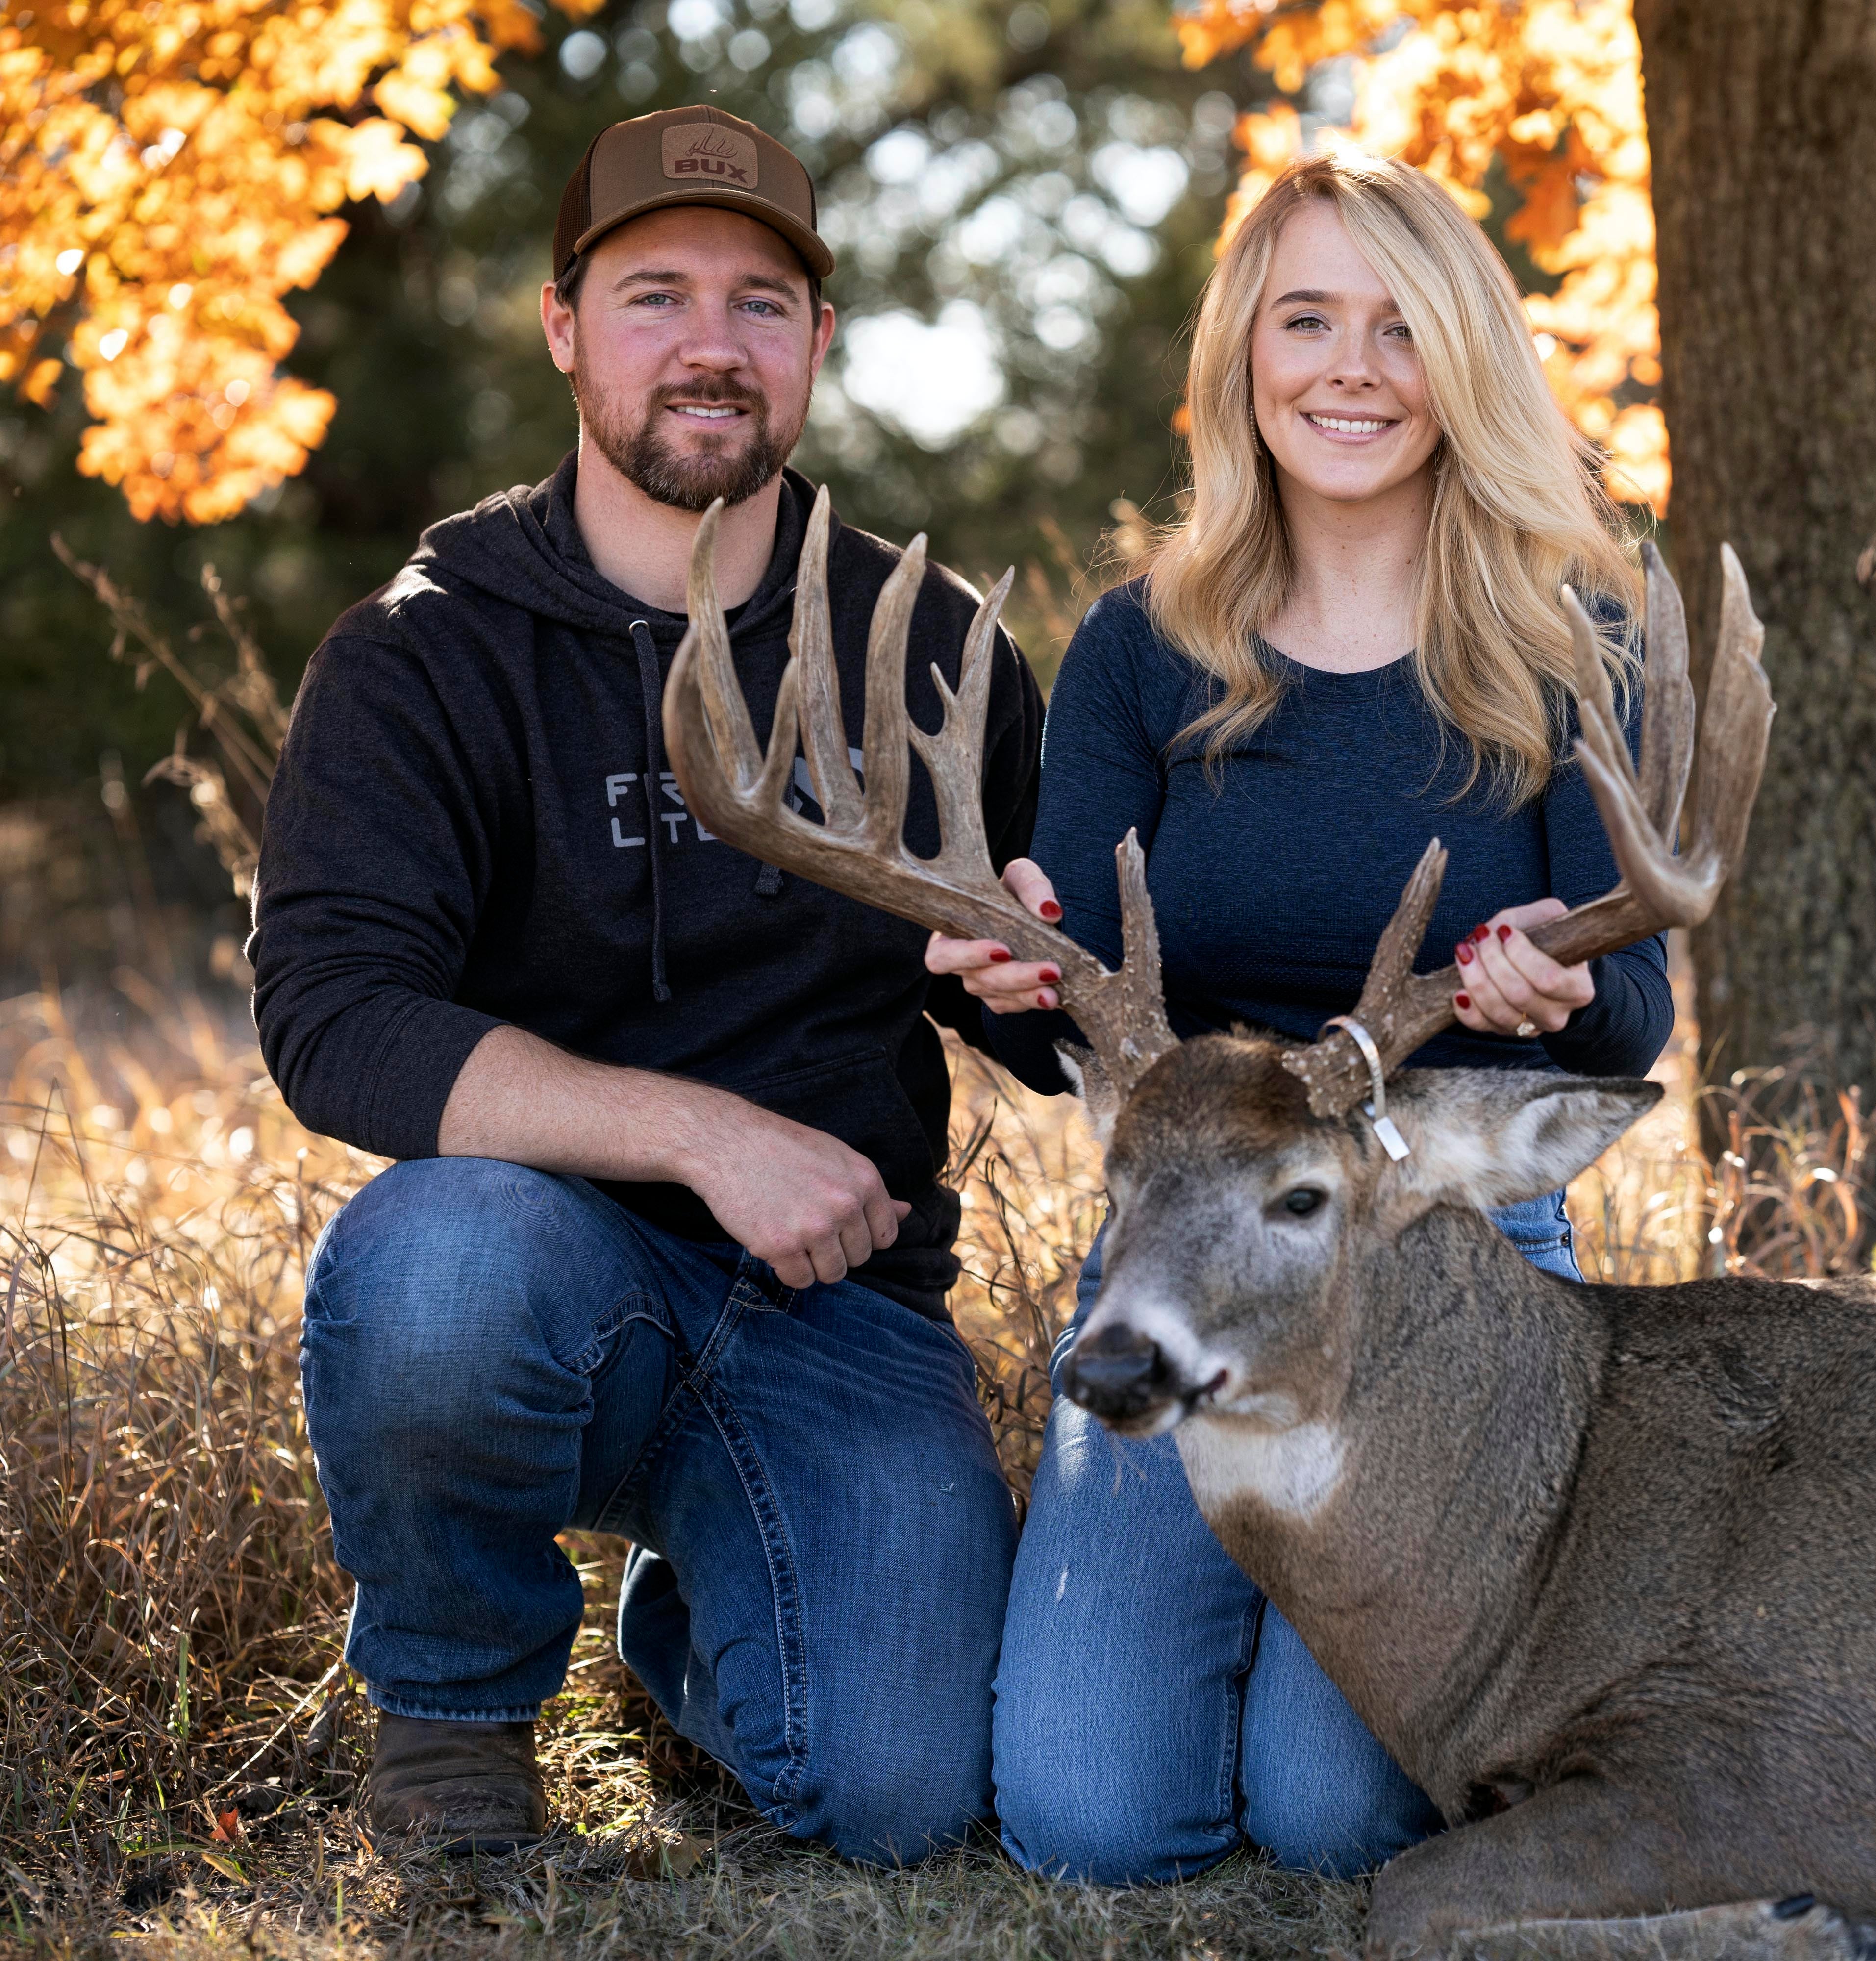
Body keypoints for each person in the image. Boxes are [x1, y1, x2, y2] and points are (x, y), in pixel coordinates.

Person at [254, 106, 1054, 1865]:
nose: (713, 345)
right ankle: (457, 1735)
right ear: (563, 326)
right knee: (435, 1261)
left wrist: (1031, 979)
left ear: (819, 341)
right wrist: (705, 1137)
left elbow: (1051, 1013)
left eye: (761, 303)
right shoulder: (423, 653)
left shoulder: (926, 642)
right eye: (654, 296)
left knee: (903, 1799)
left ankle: (689, 1627)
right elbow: (333, 1018)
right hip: (541, 1277)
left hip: (840, 1308)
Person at [935, 149, 1672, 1885]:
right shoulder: (1142, 646)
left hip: (1442, 1251)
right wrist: (1010, 981)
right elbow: (1067, 1022)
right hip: (1189, 1244)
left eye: (1402, 330)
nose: (1354, 370)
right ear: (1243, 357)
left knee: (1340, 1818)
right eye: (1309, 322)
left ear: (1465, 360)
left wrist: (1559, 987)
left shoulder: (1569, 641)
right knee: (1092, 1821)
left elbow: (1630, 1015)